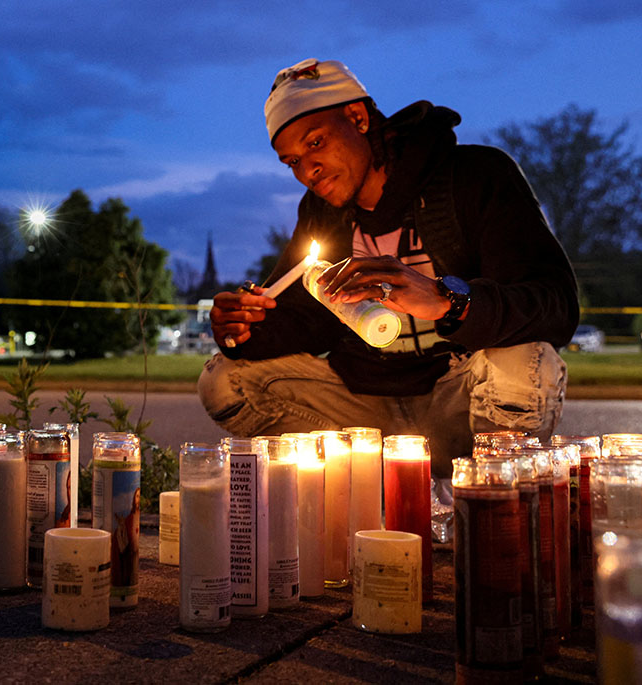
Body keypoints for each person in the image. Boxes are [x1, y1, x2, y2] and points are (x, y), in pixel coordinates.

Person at [197, 58, 579, 478]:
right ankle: (364, 490)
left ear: (357, 117)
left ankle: (488, 501)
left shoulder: (474, 176)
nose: (307, 171)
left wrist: (447, 301)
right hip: (364, 408)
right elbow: (305, 323)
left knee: (528, 361)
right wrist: (245, 328)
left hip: (457, 399)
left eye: (316, 143)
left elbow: (555, 305)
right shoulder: (321, 213)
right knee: (225, 379)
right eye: (292, 162)